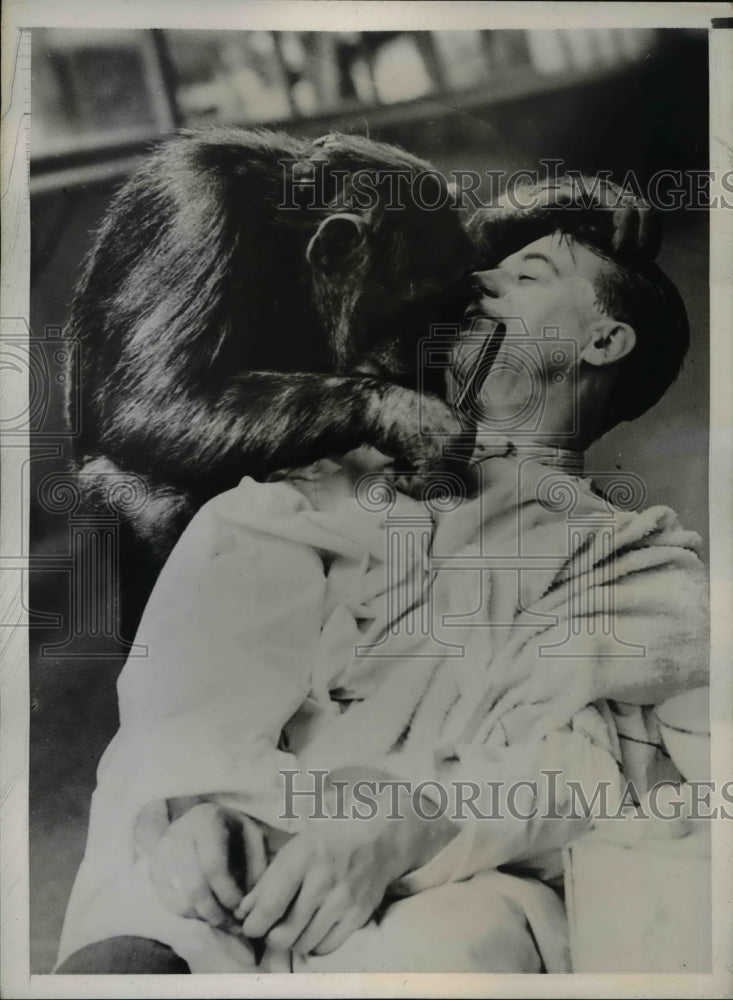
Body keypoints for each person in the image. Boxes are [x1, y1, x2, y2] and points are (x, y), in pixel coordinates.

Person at [56, 205, 708, 975]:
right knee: (130, 959)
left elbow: (576, 769)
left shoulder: (634, 564)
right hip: (229, 842)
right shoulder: (304, 492)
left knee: (444, 951)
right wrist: (197, 808)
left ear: (604, 340)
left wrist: (403, 825)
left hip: (453, 886)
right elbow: (193, 686)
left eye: (526, 273)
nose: (479, 279)